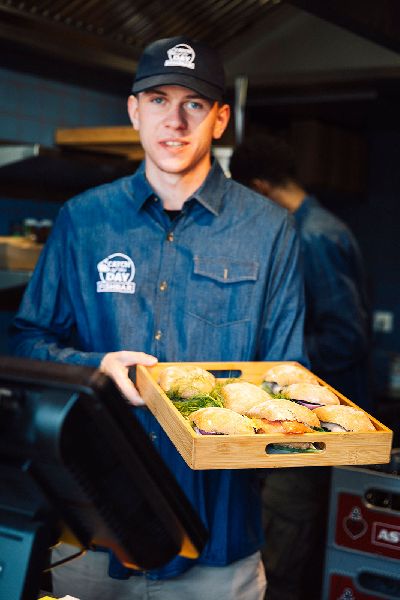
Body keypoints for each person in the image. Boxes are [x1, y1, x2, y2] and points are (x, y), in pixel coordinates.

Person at [10, 38, 308, 600]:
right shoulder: (83, 220)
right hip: (93, 533)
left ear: (220, 119)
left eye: (194, 103)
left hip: (218, 542)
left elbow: (289, 377)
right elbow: (28, 342)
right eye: (158, 100)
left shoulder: (270, 230)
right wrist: (95, 368)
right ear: (134, 110)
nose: (175, 120)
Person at [230, 133, 371, 600]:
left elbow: (346, 338)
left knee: (281, 558)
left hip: (316, 426)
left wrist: (273, 360)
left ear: (259, 188)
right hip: (307, 422)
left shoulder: (313, 237)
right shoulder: (315, 227)